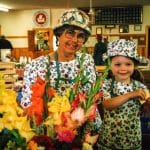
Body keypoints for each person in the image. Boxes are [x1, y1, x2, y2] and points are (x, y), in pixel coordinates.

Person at [18, 8, 101, 149]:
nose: (74, 40)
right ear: (58, 34)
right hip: (48, 136)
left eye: (80, 36)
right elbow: (29, 106)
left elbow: (91, 100)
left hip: (81, 133)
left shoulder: (87, 60)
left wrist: (90, 136)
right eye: (70, 33)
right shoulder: (37, 65)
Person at [97, 39, 150, 149]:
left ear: (134, 66)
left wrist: (147, 105)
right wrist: (130, 95)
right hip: (109, 140)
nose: (123, 68)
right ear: (109, 65)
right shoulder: (106, 84)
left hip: (132, 139)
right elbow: (107, 105)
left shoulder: (139, 86)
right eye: (117, 64)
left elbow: (145, 106)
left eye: (128, 64)